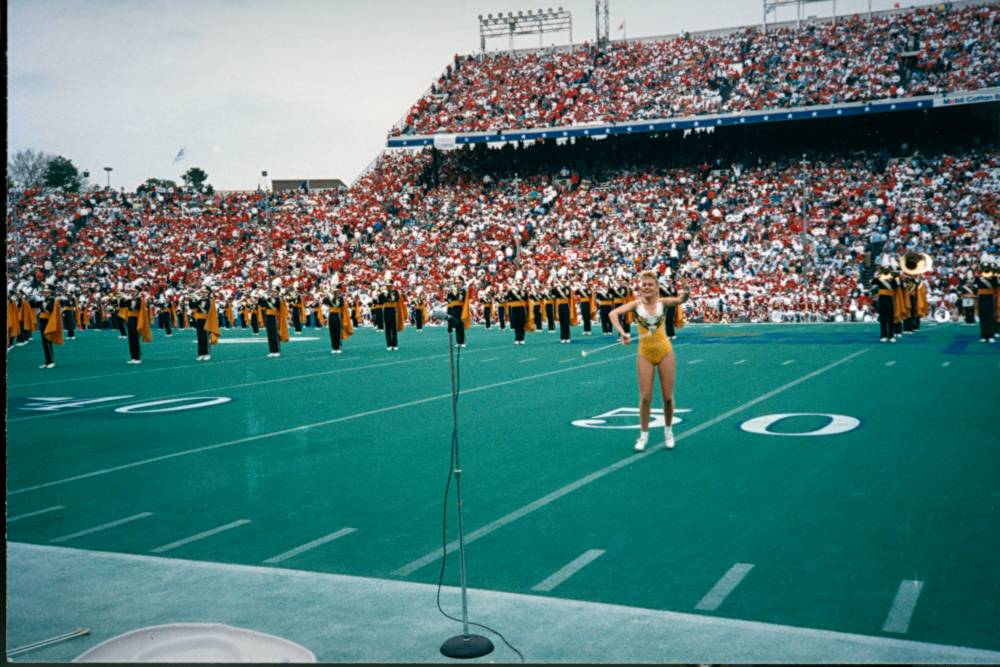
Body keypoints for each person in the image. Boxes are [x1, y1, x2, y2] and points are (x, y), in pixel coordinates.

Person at [610, 270, 690, 452]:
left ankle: (668, 432)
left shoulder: (663, 303)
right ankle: (643, 435)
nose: (646, 287)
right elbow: (613, 314)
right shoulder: (636, 305)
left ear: (656, 288)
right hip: (644, 353)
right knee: (645, 397)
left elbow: (681, 300)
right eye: (644, 284)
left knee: (668, 398)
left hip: (665, 352)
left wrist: (686, 289)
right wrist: (622, 332)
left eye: (650, 285)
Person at [119, 281, 152, 364]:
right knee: (131, 337)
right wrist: (122, 297)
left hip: (136, 319)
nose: (132, 293)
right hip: (130, 319)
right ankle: (132, 357)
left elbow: (135, 308)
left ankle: (137, 357)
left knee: (135, 337)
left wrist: (130, 301)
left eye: (133, 291)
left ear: (137, 292)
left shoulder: (139, 300)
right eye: (131, 291)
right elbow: (121, 305)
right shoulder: (130, 299)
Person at [32, 283, 64, 368]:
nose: (44, 293)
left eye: (46, 292)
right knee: (44, 342)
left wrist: (43, 302)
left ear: (50, 292)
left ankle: (51, 361)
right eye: (44, 291)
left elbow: (50, 309)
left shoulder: (53, 300)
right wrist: (33, 297)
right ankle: (47, 361)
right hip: (42, 321)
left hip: (48, 321)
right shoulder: (45, 299)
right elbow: (32, 304)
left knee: (47, 341)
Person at [190, 286, 221, 361]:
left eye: (204, 292)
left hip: (206, 321)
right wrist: (191, 299)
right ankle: (201, 353)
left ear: (208, 293)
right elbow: (192, 306)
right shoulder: (199, 300)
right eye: (202, 292)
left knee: (205, 338)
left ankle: (207, 353)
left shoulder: (209, 301)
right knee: (200, 338)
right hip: (199, 321)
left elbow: (205, 309)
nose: (203, 294)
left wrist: (198, 302)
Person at [259, 282, 289, 357]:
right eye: (272, 291)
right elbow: (262, 305)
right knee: (270, 334)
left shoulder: (278, 299)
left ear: (277, 292)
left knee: (275, 334)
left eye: (274, 291)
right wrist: (261, 297)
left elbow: (275, 307)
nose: (273, 292)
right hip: (268, 316)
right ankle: (272, 350)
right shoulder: (270, 298)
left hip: (274, 317)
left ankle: (277, 350)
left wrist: (268, 300)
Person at [322, 281, 353, 353]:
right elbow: (324, 302)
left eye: (336, 290)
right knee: (332, 331)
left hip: (337, 315)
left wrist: (334, 298)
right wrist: (328, 296)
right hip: (331, 315)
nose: (335, 291)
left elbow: (340, 305)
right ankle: (334, 347)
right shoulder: (329, 297)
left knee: (337, 331)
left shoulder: (340, 298)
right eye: (334, 290)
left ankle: (338, 346)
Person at [872, 265, 899, 342]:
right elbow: (873, 282)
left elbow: (896, 286)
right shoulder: (880, 279)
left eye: (887, 271)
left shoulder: (892, 279)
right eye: (884, 271)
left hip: (890, 299)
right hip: (882, 299)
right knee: (883, 318)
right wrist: (878, 275)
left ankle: (891, 336)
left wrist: (894, 277)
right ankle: (883, 335)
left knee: (891, 318)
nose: (885, 272)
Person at [446, 275, 470, 348]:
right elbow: (448, 299)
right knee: (456, 325)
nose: (457, 284)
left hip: (460, 308)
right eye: (456, 283)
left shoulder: (463, 290)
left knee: (460, 325)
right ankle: (458, 342)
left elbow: (461, 299)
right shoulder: (454, 290)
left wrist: (454, 292)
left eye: (459, 283)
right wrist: (450, 293)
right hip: (454, 308)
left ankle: (462, 341)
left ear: (462, 283)